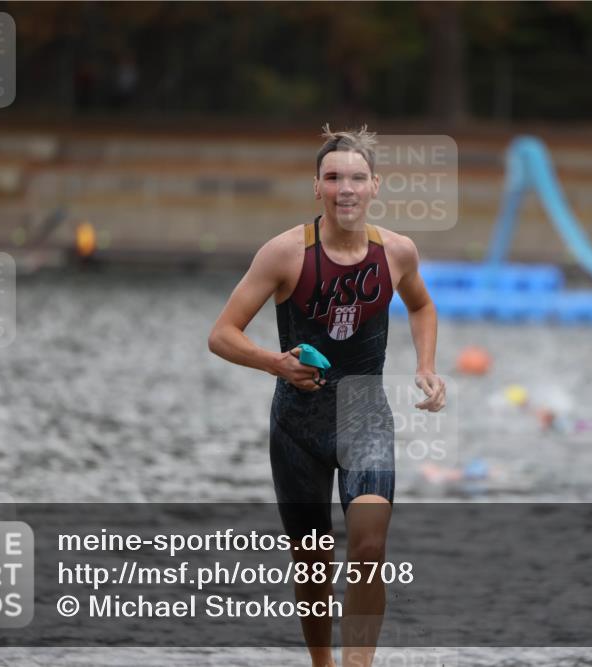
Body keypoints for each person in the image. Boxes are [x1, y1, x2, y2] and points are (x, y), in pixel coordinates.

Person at [208, 125, 447, 667]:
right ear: (316, 186)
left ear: (375, 187)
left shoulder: (398, 253)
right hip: (297, 423)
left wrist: (426, 366)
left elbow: (422, 306)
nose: (346, 188)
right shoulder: (285, 253)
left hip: (364, 413)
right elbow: (222, 334)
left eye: (357, 178)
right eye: (334, 177)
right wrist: (277, 363)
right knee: (312, 565)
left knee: (367, 547)